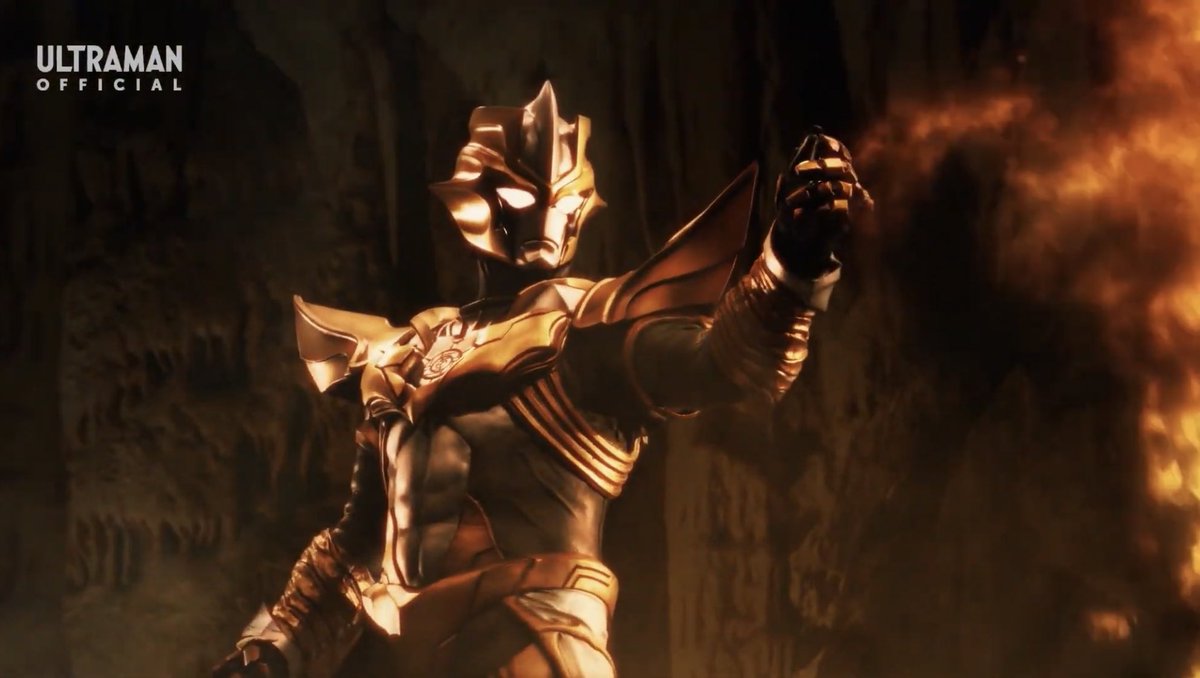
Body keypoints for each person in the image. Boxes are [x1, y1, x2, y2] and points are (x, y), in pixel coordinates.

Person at [213, 81, 871, 678]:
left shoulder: (586, 329)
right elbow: (356, 545)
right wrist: (272, 647)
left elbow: (726, 364)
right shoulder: (407, 353)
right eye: (525, 197)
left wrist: (792, 263)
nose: (548, 217)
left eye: (565, 200)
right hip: (413, 656)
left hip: (535, 646)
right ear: (473, 200)